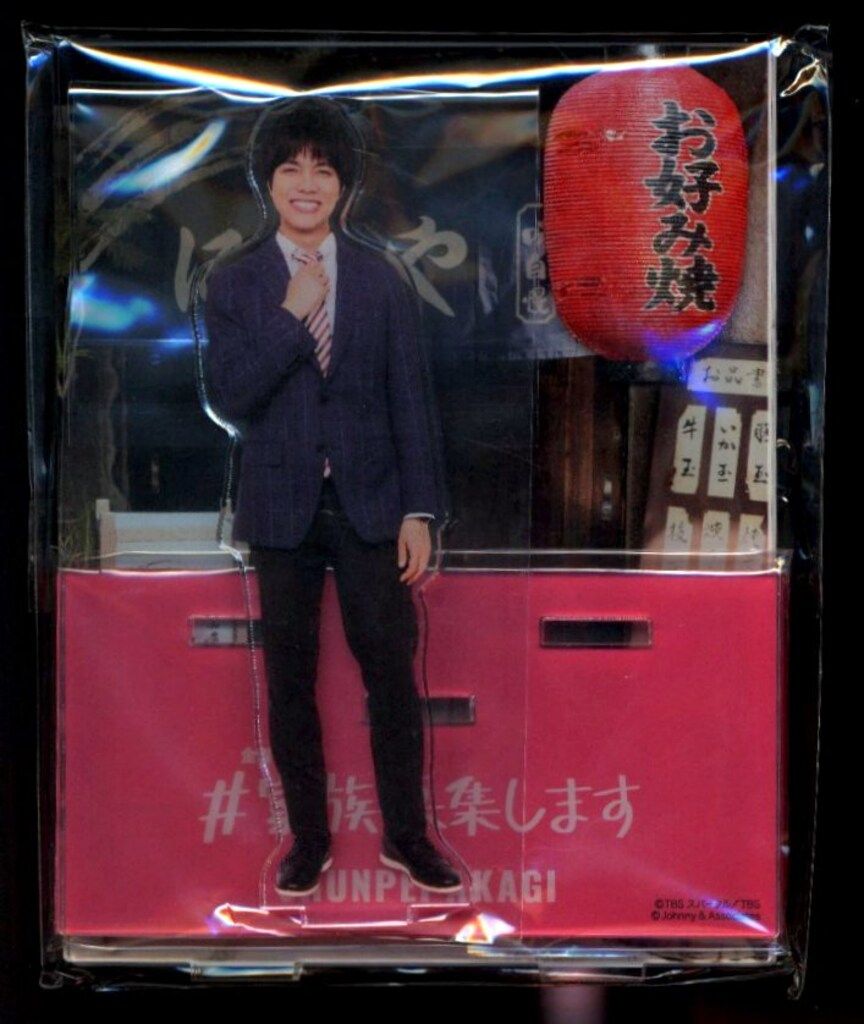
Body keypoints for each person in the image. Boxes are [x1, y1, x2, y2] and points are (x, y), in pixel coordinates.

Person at [203, 98, 460, 897]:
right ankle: (308, 841)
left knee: (392, 676)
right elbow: (229, 398)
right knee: (290, 682)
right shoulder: (235, 283)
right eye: (291, 168)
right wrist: (292, 316)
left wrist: (420, 512)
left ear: (344, 184)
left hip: (371, 505)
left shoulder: (381, 281)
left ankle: (408, 837)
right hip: (279, 508)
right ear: (268, 182)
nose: (307, 184)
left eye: (322, 169)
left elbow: (410, 401)